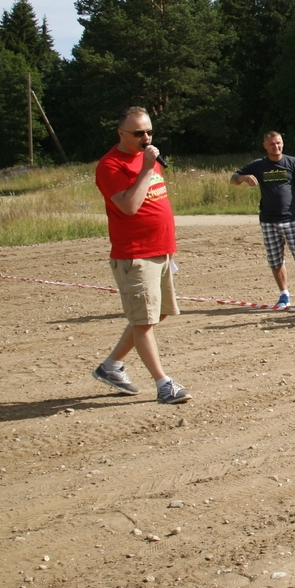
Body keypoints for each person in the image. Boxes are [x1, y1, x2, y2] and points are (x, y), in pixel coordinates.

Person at [89, 106, 191, 404]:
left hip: (160, 250)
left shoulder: (149, 159)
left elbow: (155, 200)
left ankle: (110, 367)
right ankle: (164, 384)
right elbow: (129, 206)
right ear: (121, 134)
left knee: (154, 314)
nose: (146, 138)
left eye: (149, 131)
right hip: (135, 254)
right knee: (143, 320)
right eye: (138, 133)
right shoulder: (110, 166)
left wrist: (170, 248)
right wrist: (146, 168)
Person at [230, 131, 295, 308]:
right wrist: (244, 178)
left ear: (282, 143)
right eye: (272, 144)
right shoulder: (258, 165)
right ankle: (284, 295)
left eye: (278, 143)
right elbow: (233, 179)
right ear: (265, 145)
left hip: (291, 218)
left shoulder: (293, 163)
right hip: (268, 220)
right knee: (275, 260)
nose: (276, 146)